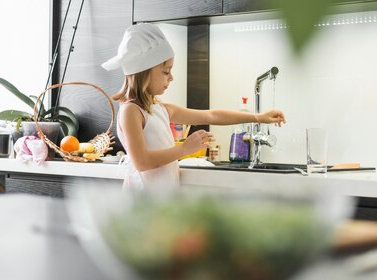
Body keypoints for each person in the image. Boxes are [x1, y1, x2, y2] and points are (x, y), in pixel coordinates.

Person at [102, 23, 286, 190]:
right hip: (141, 203)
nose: (171, 78)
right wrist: (184, 149)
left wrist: (258, 117)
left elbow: (211, 116)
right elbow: (141, 161)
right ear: (143, 73)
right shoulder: (131, 111)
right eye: (166, 72)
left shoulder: (158, 108)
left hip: (161, 201)